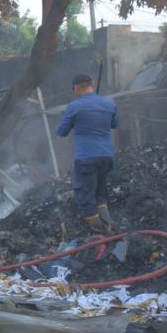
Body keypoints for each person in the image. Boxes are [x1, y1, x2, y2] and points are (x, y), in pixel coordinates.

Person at [56, 73, 119, 233]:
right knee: (100, 192)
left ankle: (98, 233)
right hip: (106, 156)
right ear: (93, 83)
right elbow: (114, 124)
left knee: (85, 194)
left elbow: (61, 131)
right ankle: (108, 224)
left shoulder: (74, 107)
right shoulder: (110, 103)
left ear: (77, 88)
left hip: (86, 157)